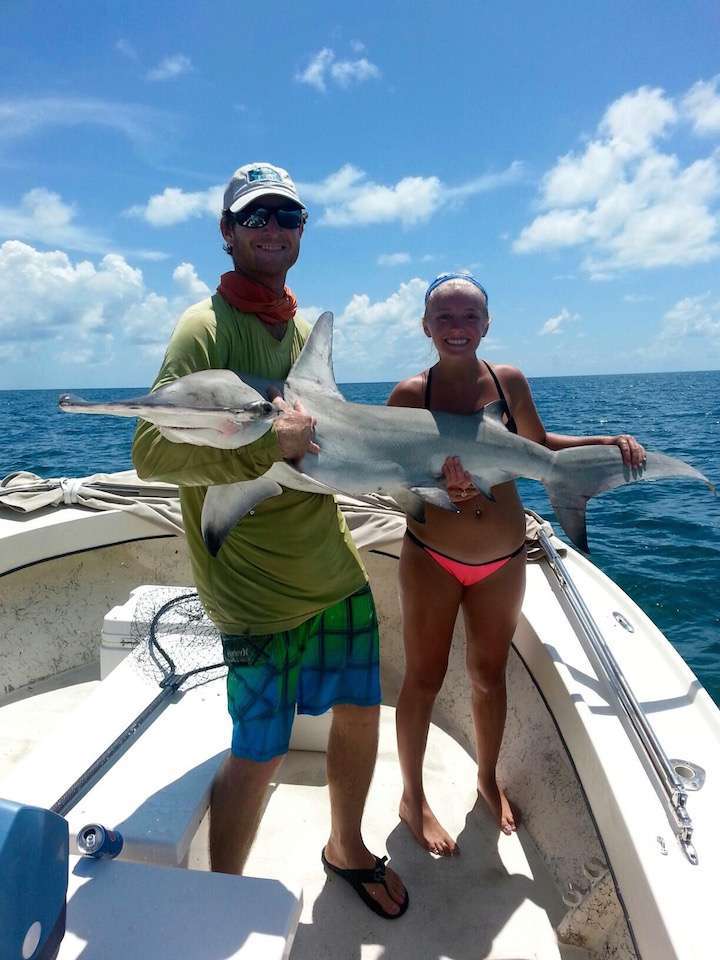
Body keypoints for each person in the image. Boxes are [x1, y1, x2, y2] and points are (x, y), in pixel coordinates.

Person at [132, 162, 408, 919]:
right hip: (252, 591)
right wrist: (266, 448)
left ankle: (346, 847)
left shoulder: (299, 326)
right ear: (227, 233)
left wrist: (421, 478)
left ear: (301, 233)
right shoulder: (204, 328)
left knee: (359, 711)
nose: (274, 230)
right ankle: (224, 895)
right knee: (260, 749)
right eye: (256, 218)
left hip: (335, 570)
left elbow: (331, 443)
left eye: (288, 216)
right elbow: (151, 454)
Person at [387, 273, 645, 855]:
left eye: (469, 317)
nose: (457, 328)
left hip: (503, 560)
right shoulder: (409, 396)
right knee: (422, 681)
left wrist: (609, 441)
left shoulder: (508, 383)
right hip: (432, 555)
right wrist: (448, 490)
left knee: (488, 678)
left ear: (487, 324)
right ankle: (412, 797)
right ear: (426, 327)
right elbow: (399, 481)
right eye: (445, 318)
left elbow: (537, 446)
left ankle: (485, 779)